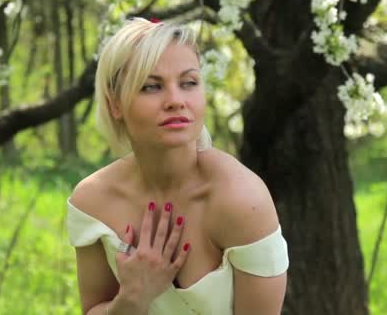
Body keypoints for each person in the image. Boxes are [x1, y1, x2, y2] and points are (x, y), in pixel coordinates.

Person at [67, 17, 289, 315]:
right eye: (151, 86)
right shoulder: (93, 201)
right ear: (115, 104)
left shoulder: (241, 200)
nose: (175, 100)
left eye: (188, 83)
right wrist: (132, 299)